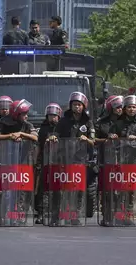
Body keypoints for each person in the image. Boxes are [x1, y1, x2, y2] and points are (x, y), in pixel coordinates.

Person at [47, 92, 95, 225]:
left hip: (80, 161)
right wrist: (53, 137)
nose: (77, 107)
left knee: (78, 189)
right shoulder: (64, 120)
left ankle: (75, 215)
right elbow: (55, 134)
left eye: (79, 105)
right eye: (74, 105)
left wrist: (87, 139)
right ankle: (56, 216)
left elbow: (93, 141)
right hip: (63, 159)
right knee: (60, 188)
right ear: (71, 106)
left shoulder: (88, 122)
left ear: (83, 106)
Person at [0, 99, 38, 226]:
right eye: (24, 114)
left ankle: (20, 216)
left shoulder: (27, 125)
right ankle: (4, 216)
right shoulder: (3, 123)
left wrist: (21, 134)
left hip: (23, 162)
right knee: (7, 191)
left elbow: (35, 137)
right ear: (17, 114)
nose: (26, 116)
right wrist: (10, 136)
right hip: (7, 162)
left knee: (22, 191)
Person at [105, 95, 136, 226]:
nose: (131, 109)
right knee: (118, 189)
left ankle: (128, 215)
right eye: (129, 107)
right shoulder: (117, 124)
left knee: (131, 190)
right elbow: (109, 138)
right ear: (124, 109)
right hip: (120, 160)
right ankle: (115, 214)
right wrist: (112, 136)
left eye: (134, 107)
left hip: (134, 161)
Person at [35, 102, 62, 224]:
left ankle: (56, 212)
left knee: (58, 189)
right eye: (50, 115)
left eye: (55, 115)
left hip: (59, 162)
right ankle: (41, 213)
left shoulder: (63, 127)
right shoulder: (43, 129)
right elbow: (38, 145)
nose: (53, 117)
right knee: (42, 188)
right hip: (45, 162)